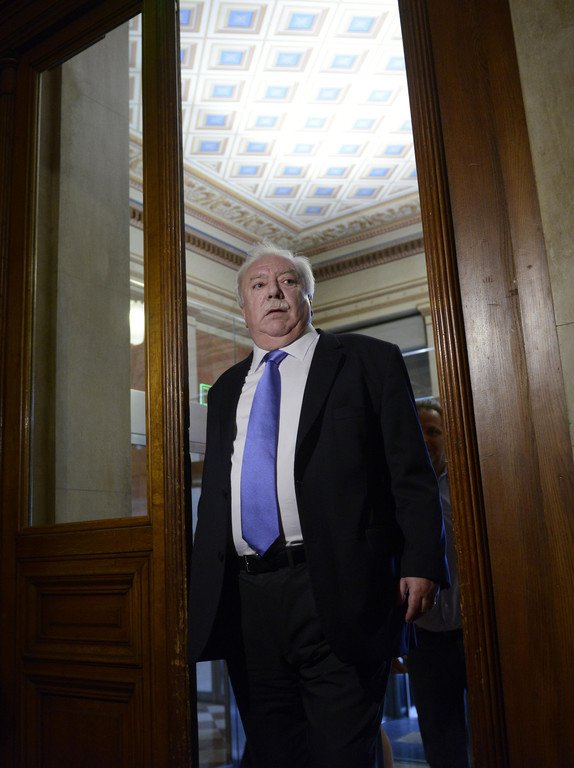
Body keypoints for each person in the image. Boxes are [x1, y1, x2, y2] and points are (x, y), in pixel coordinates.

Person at [188, 242, 449, 768]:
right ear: (243, 308)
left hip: (340, 587)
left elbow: (410, 473)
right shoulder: (225, 390)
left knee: (342, 752)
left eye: (287, 281)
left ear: (307, 295)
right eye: (258, 285)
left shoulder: (369, 362)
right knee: (275, 751)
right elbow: (218, 492)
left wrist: (422, 560)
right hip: (247, 598)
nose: (273, 293)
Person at [408, 399, 469, 768]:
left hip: (474, 631)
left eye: (434, 431)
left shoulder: (469, 488)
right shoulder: (399, 493)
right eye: (420, 432)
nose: (427, 439)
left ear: (448, 437)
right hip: (424, 637)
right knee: (440, 735)